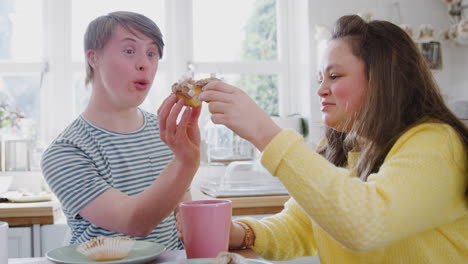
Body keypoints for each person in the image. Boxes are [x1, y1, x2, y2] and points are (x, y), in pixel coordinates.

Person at [195, 15, 468, 263]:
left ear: (383, 80)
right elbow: (301, 225)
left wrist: (266, 134)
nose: (321, 90)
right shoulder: (341, 147)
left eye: (334, 76)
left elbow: (366, 223)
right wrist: (242, 233)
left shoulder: (437, 143)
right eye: (320, 78)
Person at [41, 11, 201, 250]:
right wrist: (186, 161)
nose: (144, 63)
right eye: (129, 51)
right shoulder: (65, 152)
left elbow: (183, 218)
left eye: (151, 53)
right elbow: (132, 222)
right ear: (94, 58)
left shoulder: (166, 132)